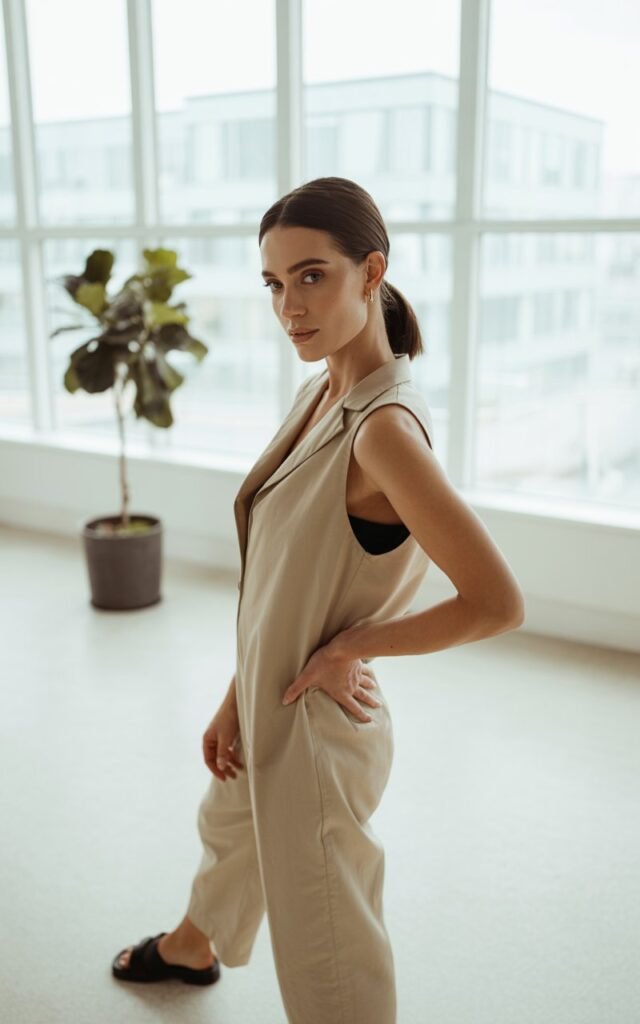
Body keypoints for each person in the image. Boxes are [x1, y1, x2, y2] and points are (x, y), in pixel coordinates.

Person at [112, 176, 525, 1022]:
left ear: (371, 274)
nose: (288, 305)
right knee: (232, 824)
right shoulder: (321, 395)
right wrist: (237, 696)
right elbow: (283, 582)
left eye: (312, 276)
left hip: (314, 726)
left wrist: (350, 650)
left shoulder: (382, 431)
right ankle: (196, 945)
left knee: (329, 938)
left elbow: (496, 601)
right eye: (273, 283)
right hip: (273, 693)